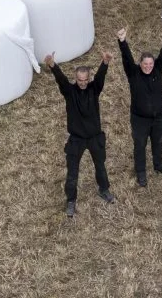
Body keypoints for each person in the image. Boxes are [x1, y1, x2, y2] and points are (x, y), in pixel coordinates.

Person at [45, 50, 115, 218]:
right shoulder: (69, 92)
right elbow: (61, 80)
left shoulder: (94, 88)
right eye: (79, 80)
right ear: (75, 79)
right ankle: (71, 200)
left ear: (89, 78)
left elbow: (100, 77)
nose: (83, 83)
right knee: (72, 173)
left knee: (100, 166)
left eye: (85, 79)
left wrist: (105, 62)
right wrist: (53, 66)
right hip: (76, 139)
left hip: (94, 137)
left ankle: (104, 190)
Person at [117, 25, 162, 187]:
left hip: (159, 118)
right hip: (140, 120)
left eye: (151, 63)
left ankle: (158, 165)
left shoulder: (157, 70)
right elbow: (127, 58)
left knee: (158, 142)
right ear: (140, 63)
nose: (148, 66)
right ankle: (141, 172)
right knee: (140, 145)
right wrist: (122, 41)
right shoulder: (133, 73)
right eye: (145, 64)